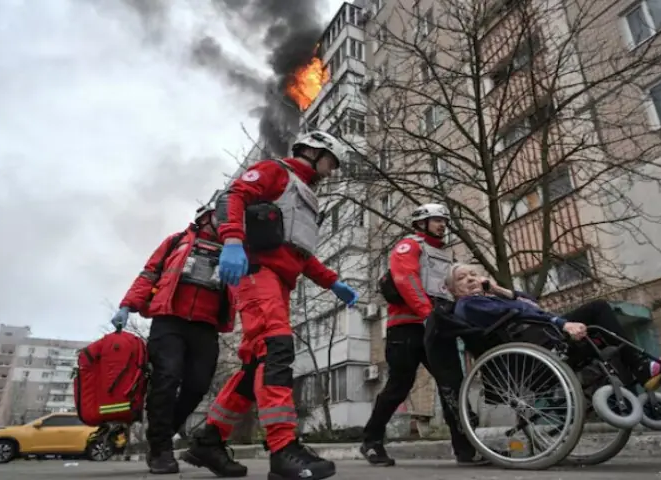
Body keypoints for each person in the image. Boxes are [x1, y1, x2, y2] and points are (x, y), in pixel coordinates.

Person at [179, 131, 359, 480]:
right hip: (257, 275)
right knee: (277, 349)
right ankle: (282, 448)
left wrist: (333, 282)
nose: (332, 171)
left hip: (278, 283)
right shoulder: (276, 172)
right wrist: (232, 240)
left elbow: (298, 254)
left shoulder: (305, 197)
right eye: (330, 162)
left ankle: (209, 439)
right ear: (313, 151)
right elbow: (234, 195)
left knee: (254, 369)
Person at [361, 203, 486, 467]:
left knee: (452, 384)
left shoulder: (443, 254)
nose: (442, 224)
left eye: (444, 220)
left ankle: (466, 448)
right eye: (436, 220)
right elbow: (406, 279)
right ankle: (371, 441)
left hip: (437, 325)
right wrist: (427, 313)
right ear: (421, 223)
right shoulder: (409, 246)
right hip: (407, 327)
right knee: (399, 386)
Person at [114, 198, 232, 474]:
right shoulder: (176, 241)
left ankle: (165, 429)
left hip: (206, 326)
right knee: (166, 377)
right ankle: (160, 449)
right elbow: (149, 273)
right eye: (222, 216)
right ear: (206, 217)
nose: (227, 222)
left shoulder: (233, 250)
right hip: (169, 321)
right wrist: (127, 304)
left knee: (198, 384)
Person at [446, 263, 661, 390]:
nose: (470, 279)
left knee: (600, 329)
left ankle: (645, 367)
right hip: (536, 343)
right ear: (453, 289)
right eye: (462, 278)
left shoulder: (486, 298)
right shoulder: (469, 305)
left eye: (473, 275)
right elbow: (522, 313)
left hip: (539, 336)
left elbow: (531, 303)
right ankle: (644, 368)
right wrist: (562, 323)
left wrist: (498, 289)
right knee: (597, 311)